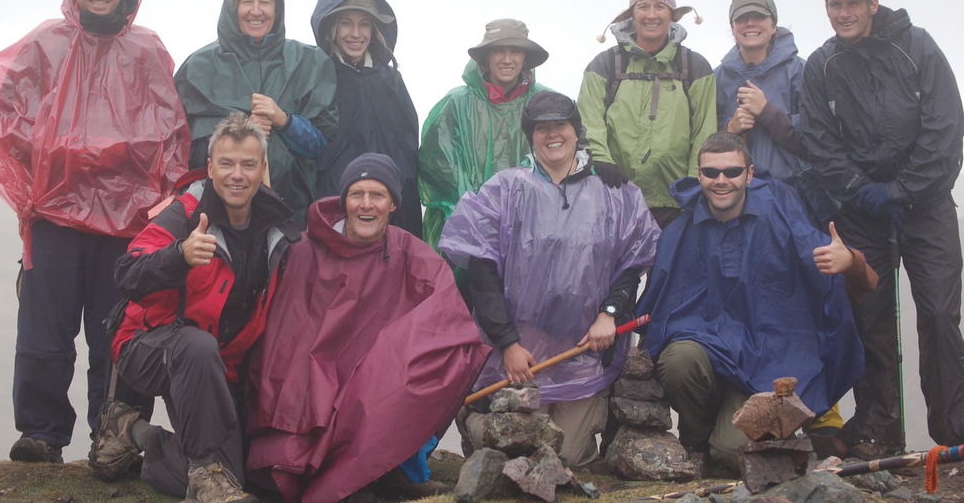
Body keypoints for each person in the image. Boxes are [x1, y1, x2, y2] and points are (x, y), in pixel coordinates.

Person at [0, 0, 189, 463]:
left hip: (124, 220)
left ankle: (114, 435)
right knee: (44, 325)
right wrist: (39, 171)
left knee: (115, 330)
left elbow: (169, 132)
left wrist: (153, 197)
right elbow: (8, 116)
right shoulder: (47, 43)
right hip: (54, 212)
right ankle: (41, 432)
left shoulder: (146, 50)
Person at [247, 153, 489, 503]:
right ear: (343, 200)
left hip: (372, 384)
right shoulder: (302, 251)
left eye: (377, 195)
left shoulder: (410, 252)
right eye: (356, 194)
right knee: (277, 473)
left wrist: (390, 361)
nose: (366, 204)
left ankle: (393, 470)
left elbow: (450, 319)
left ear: (392, 204)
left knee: (449, 354)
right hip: (312, 384)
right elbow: (285, 338)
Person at [440, 92, 660, 466]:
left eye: (561, 125)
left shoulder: (614, 191)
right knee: (523, 451)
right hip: (519, 355)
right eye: (542, 128)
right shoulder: (503, 189)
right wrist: (507, 343)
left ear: (577, 132)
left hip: (583, 353)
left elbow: (632, 263)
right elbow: (482, 275)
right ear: (530, 136)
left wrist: (609, 313)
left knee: (567, 457)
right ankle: (472, 417)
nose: (552, 134)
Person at [89, 113, 300, 503]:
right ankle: (204, 474)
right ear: (210, 168)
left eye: (248, 164)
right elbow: (126, 273)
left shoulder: (278, 228)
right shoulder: (183, 213)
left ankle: (132, 430)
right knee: (196, 346)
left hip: (220, 365)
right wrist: (178, 256)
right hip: (147, 345)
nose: (237, 175)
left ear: (263, 170)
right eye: (227, 163)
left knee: (239, 476)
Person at [636, 132, 876, 474]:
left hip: (768, 365)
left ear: (749, 174)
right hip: (707, 357)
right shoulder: (679, 232)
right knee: (678, 359)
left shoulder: (783, 217)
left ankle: (719, 444)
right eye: (711, 172)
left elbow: (867, 285)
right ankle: (695, 443)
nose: (722, 181)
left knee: (734, 455)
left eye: (732, 172)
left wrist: (851, 260)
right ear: (698, 175)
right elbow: (657, 309)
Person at [801, 0, 964, 458]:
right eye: (834, 4)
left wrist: (901, 190)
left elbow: (945, 129)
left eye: (853, 4)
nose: (843, 13)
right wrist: (861, 190)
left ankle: (953, 432)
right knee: (868, 316)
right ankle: (879, 429)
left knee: (937, 315)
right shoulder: (821, 64)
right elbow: (820, 142)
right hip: (861, 209)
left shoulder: (917, 47)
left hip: (927, 205)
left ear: (874, 4)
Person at [175, 0, 338, 227]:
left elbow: (319, 143)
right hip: (217, 216)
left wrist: (284, 120)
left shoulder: (310, 63)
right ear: (232, 8)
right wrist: (241, 131)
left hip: (290, 214)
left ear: (277, 9)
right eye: (246, 1)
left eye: (265, 2)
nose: (256, 11)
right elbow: (183, 149)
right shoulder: (199, 67)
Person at [578, 0, 716, 228]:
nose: (651, 15)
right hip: (613, 197)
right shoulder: (604, 65)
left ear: (672, 14)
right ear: (632, 14)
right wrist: (603, 161)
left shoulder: (695, 68)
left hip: (676, 202)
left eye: (660, 7)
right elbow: (589, 120)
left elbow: (704, 131)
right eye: (643, 7)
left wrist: (692, 185)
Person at [418, 18, 549, 261]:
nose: (507, 59)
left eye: (515, 51)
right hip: (463, 229)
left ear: (525, 58)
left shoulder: (544, 102)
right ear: (486, 57)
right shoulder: (456, 102)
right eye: (499, 50)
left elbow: (565, 158)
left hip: (528, 231)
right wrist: (473, 212)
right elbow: (436, 164)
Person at [310, 0, 422, 236]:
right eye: (347, 23)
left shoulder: (391, 80)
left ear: (375, 30)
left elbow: (408, 152)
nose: (356, 34)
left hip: (392, 213)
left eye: (365, 24)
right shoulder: (318, 78)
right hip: (335, 211)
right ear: (332, 28)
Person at [715, 0, 808, 182]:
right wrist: (730, 131)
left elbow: (816, 143)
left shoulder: (802, 72)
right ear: (732, 28)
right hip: (734, 198)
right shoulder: (715, 79)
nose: (750, 23)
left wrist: (767, 112)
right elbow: (705, 149)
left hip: (793, 197)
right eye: (741, 18)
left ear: (774, 25)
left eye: (759, 16)